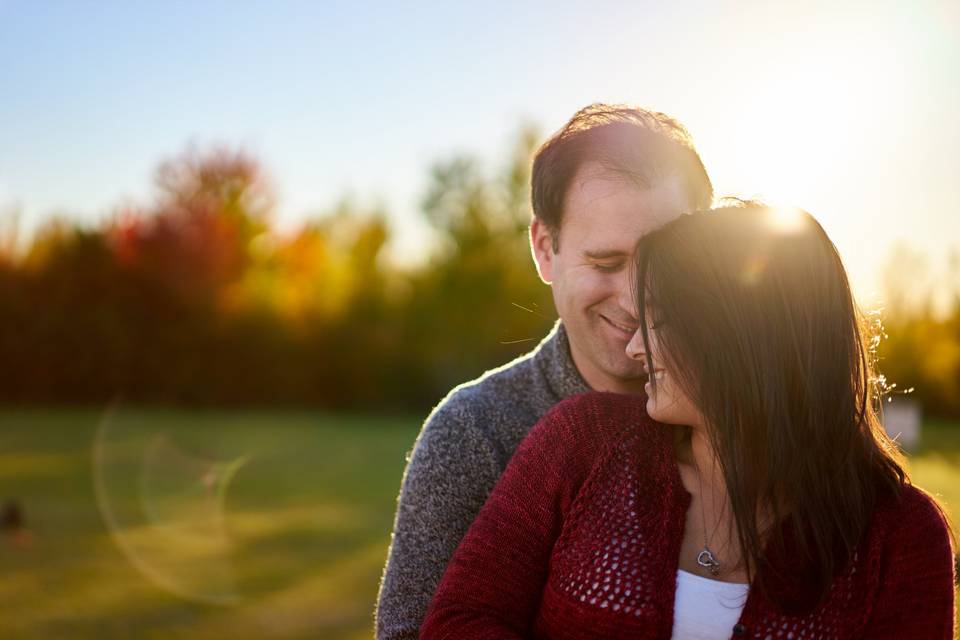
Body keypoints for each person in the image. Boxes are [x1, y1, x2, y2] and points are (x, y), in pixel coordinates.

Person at [420, 202, 956, 639]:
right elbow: (459, 622)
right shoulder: (581, 442)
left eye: (654, 319)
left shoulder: (901, 538)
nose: (634, 348)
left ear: (732, 337)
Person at [375, 104, 714, 640]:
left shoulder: (756, 418)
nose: (634, 298)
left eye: (663, 264)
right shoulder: (475, 433)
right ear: (544, 249)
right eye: (605, 263)